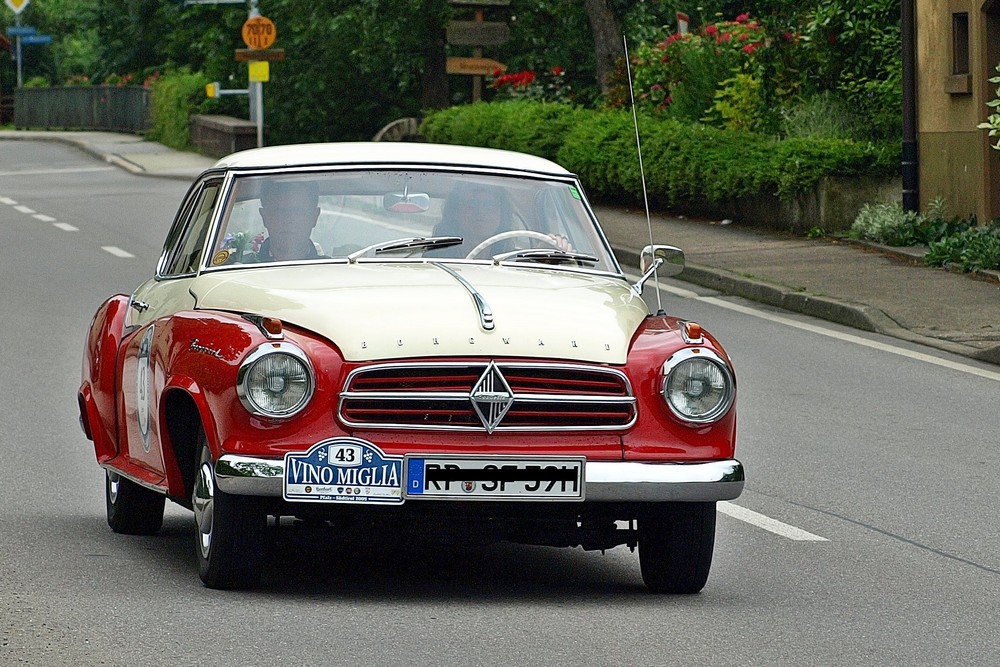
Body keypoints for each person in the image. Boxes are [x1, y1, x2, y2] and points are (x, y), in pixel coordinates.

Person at [428, 184, 573, 258]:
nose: (481, 211)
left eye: (490, 204)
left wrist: (545, 251)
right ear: (455, 211)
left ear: (502, 214)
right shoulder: (434, 258)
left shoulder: (511, 261)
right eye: (472, 203)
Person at [255, 179, 325, 262]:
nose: (288, 220)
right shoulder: (241, 271)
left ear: (314, 217)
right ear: (264, 217)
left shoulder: (336, 272)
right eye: (279, 211)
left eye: (297, 212)